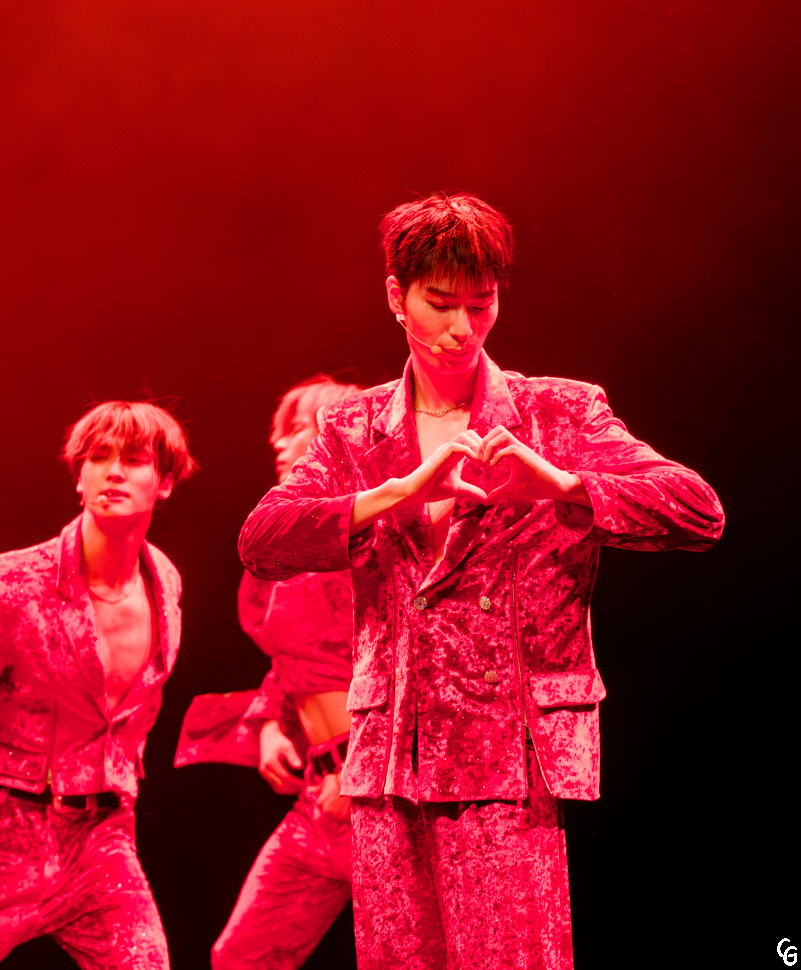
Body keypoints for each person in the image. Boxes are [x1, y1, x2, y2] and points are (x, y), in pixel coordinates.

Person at [238, 192, 725, 969]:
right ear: (396, 297)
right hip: (390, 762)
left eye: (481, 303)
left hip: (506, 763)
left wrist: (561, 485)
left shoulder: (557, 413)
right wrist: (398, 492)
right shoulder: (355, 430)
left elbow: (698, 510)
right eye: (440, 304)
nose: (462, 328)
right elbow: (261, 542)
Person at [0, 400, 196, 970]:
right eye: (98, 458)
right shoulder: (1, 586)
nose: (113, 471)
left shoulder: (165, 582)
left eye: (133, 460)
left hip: (99, 845)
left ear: (165, 483)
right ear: (79, 478)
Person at [174, 375, 361, 970]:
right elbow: (291, 661)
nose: (278, 444)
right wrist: (272, 727)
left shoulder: (377, 538)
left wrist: (361, 773)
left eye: (296, 430)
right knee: (240, 957)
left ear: (337, 436)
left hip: (381, 799)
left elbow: (416, 663)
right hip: (320, 797)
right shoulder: (285, 549)